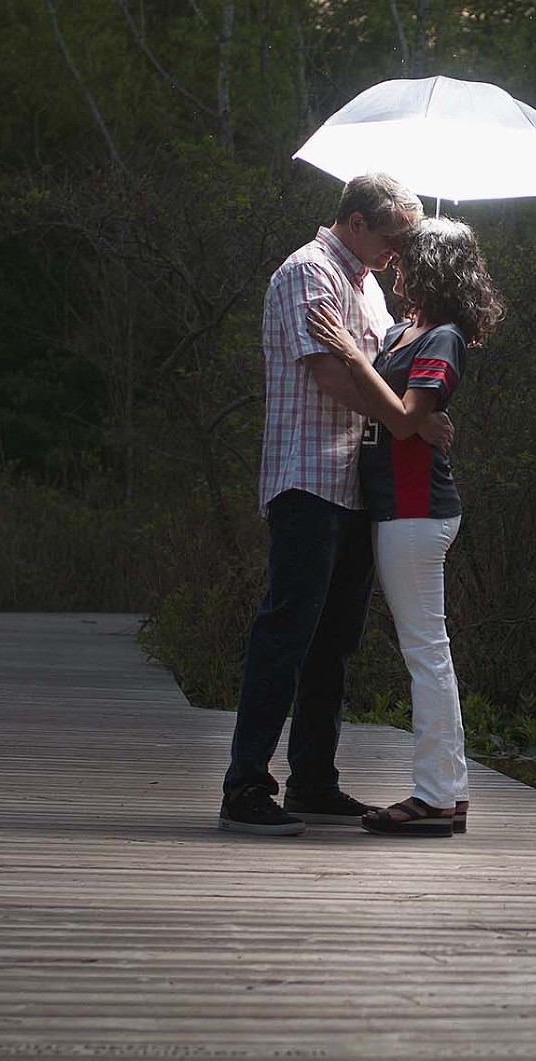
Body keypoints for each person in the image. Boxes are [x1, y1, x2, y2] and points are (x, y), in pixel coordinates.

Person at [219, 172, 452, 836]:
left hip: (355, 483)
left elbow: (380, 369)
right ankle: (245, 785)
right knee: (287, 629)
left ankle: (313, 781)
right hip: (307, 478)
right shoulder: (307, 273)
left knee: (335, 642)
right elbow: (328, 372)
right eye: (390, 237)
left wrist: (418, 400)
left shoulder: (369, 286)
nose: (397, 251)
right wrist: (404, 420)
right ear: (354, 221)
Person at [306, 216, 503, 837]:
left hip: (417, 509)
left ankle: (436, 796)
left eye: (408, 256)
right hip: (396, 507)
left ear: (432, 266)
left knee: (426, 651)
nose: (396, 264)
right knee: (426, 650)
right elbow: (404, 416)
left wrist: (345, 350)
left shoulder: (442, 337)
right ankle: (449, 789)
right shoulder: (401, 332)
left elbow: (404, 417)